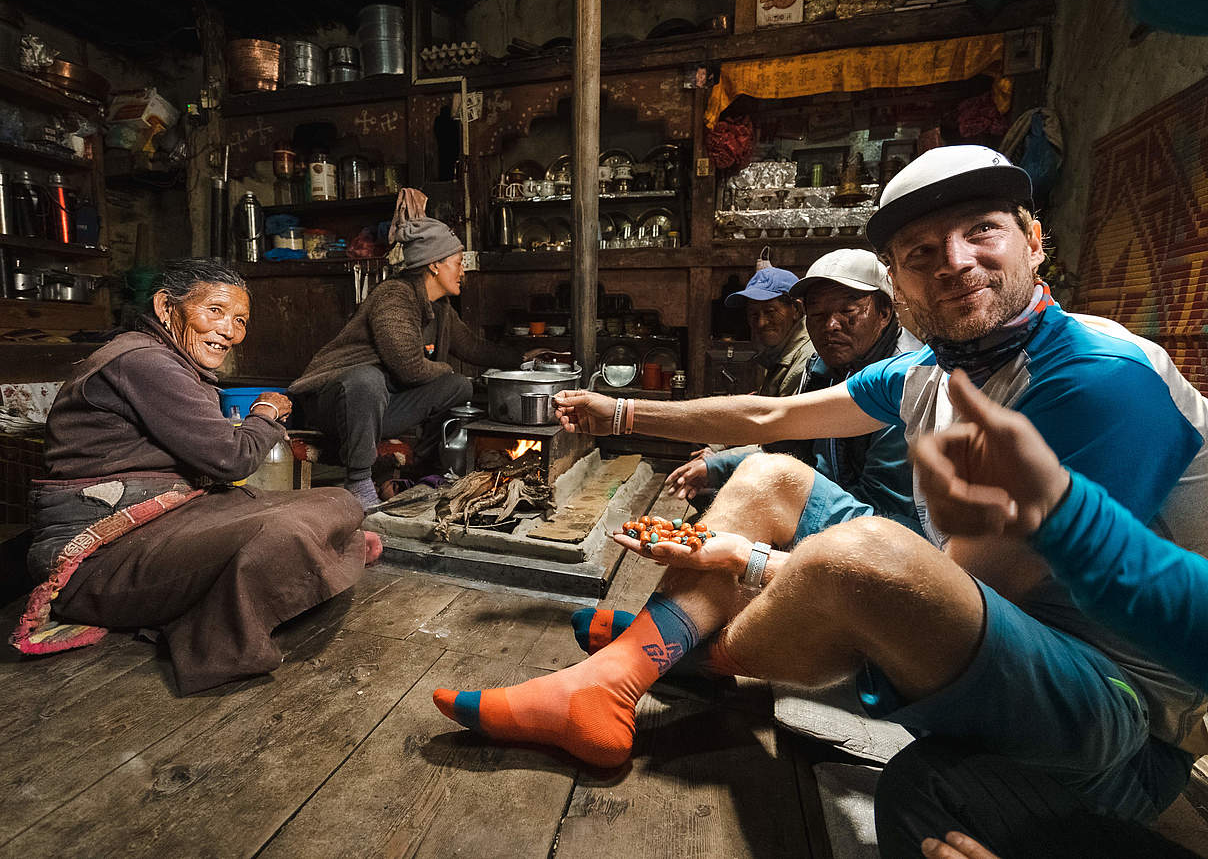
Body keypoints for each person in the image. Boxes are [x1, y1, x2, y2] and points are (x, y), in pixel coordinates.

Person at [430, 145, 1208, 832]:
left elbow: (948, 586)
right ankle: (625, 675)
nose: (956, 261)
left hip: (1122, 728)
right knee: (770, 470)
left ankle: (666, 653)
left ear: (1034, 242)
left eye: (982, 231)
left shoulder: (1100, 381)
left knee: (862, 554)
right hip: (1000, 645)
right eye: (921, 251)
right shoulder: (932, 368)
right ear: (902, 289)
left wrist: (754, 567)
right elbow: (769, 415)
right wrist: (622, 411)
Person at [874, 369, 1208, 859]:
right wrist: (1056, 513)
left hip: (1133, 743)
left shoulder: (1113, 380)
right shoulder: (904, 378)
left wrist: (756, 562)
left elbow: (918, 588)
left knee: (923, 788)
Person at [13, 260, 376, 695]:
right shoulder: (142, 361)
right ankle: (214, 634)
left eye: (240, 320)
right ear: (166, 307)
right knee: (286, 531)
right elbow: (231, 458)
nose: (230, 330)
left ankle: (289, 565)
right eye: (216, 311)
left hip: (163, 522)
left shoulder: (166, 360)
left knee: (336, 500)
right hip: (97, 559)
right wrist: (266, 415)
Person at [666, 249, 921, 532]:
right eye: (818, 314)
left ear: (884, 312)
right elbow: (791, 447)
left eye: (847, 312)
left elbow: (884, 521)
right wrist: (717, 467)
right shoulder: (825, 366)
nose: (830, 326)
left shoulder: (904, 384)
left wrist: (764, 554)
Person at [290, 215, 535, 508]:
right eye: (457, 263)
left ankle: (424, 471)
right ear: (435, 264)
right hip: (335, 405)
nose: (463, 272)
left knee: (457, 387)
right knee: (367, 378)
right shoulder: (393, 296)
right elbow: (409, 368)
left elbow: (473, 348)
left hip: (380, 410)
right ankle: (359, 482)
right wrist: (445, 367)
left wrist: (523, 360)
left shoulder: (441, 309)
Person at [723, 264, 816, 398]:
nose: (761, 323)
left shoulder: (806, 361)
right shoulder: (781, 354)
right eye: (753, 314)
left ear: (796, 309)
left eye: (770, 312)